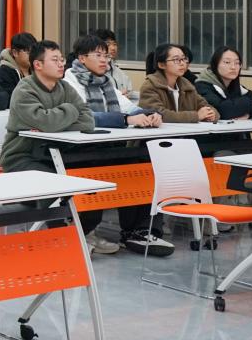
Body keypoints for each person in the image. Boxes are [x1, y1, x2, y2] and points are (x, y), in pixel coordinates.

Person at [0, 41, 120, 254]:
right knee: (52, 182)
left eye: (62, 59)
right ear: (38, 65)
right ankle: (60, 237)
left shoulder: (64, 87)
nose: (61, 64)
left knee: (94, 176)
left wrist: (55, 120)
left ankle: (84, 233)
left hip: (59, 153)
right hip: (23, 156)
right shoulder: (25, 89)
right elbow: (47, 122)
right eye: (55, 60)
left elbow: (87, 121)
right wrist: (68, 111)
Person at [63, 34, 171, 257]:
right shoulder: (69, 81)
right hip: (81, 149)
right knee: (100, 172)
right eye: (98, 55)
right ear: (82, 58)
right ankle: (85, 231)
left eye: (106, 56)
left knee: (141, 167)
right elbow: (86, 116)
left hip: (108, 145)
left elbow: (127, 107)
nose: (105, 60)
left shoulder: (106, 81)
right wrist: (125, 119)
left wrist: (148, 114)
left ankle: (139, 231)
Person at [139, 43, 220, 123]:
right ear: (161, 65)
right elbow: (158, 114)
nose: (182, 63)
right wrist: (196, 116)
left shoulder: (186, 85)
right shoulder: (150, 85)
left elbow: (206, 106)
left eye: (184, 59)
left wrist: (211, 114)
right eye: (176, 60)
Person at [193, 46, 252, 120]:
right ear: (215, 65)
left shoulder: (237, 87)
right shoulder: (202, 86)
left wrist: (248, 114)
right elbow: (222, 110)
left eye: (237, 63)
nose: (233, 67)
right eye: (227, 62)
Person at [93, 28, 133, 94]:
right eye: (108, 44)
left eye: (114, 44)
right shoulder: (93, 72)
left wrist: (127, 94)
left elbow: (129, 90)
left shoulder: (119, 72)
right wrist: (119, 96)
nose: (113, 48)